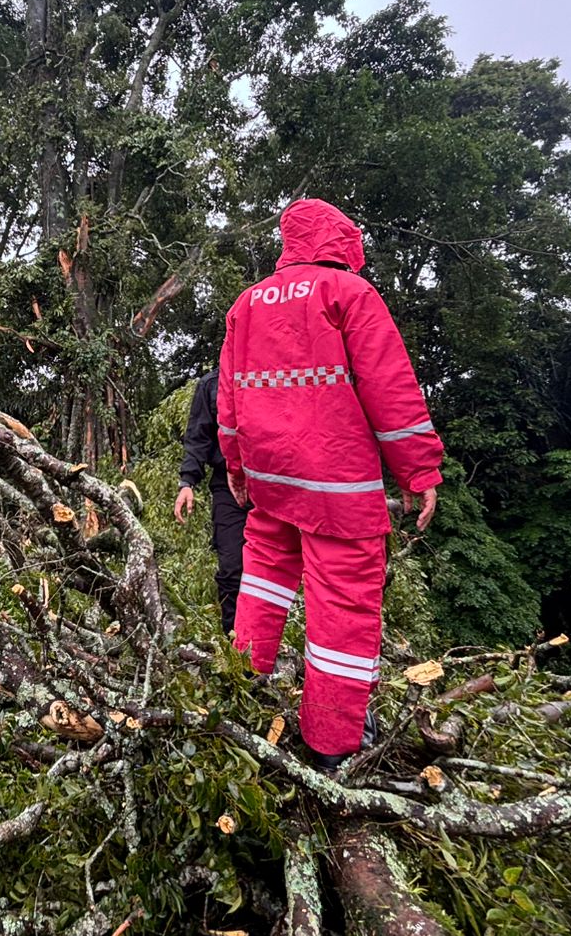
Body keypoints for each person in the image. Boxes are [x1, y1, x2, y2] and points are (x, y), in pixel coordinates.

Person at [218, 199, 443, 770]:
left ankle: (238, 694)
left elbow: (230, 400)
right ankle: (331, 744)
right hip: (337, 487)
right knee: (343, 609)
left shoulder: (246, 305)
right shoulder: (349, 295)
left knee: (261, 586)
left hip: (272, 482)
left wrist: (237, 468)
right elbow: (390, 390)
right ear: (342, 242)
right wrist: (418, 470)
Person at [174, 369, 247, 634]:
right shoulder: (211, 384)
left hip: (272, 485)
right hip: (227, 486)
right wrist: (187, 483)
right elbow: (197, 438)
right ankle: (234, 642)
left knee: (276, 565)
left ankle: (271, 643)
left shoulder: (273, 377)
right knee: (231, 567)